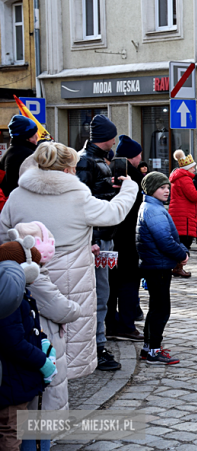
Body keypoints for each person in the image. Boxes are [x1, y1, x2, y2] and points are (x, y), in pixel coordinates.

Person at [0, 142, 136, 380]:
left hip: (29, 274)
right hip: (72, 277)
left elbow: (4, 237)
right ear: (65, 170)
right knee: (68, 340)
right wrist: (129, 188)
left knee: (33, 336)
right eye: (73, 167)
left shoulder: (17, 196)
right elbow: (113, 213)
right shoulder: (78, 197)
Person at [74, 114, 124, 371]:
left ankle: (97, 342)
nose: (115, 139)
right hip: (96, 240)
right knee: (98, 294)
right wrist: (93, 239)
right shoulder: (85, 160)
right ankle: (97, 345)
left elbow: (96, 194)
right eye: (113, 135)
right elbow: (83, 204)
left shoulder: (99, 159)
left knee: (102, 293)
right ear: (107, 137)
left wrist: (112, 187)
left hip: (105, 236)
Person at [15, 222, 80, 415]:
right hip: (45, 340)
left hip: (41, 339)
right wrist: (75, 306)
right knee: (46, 399)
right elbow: (64, 309)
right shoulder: (35, 279)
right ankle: (40, 441)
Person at [0, 248, 56, 451]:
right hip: (12, 381)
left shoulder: (20, 295)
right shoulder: (9, 299)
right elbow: (13, 342)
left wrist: (42, 341)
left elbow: (30, 329)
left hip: (16, 378)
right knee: (11, 430)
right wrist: (42, 362)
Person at [136, 172, 188, 365]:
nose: (167, 191)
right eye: (161, 188)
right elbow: (165, 240)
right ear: (151, 189)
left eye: (167, 187)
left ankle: (149, 348)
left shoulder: (152, 206)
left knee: (156, 307)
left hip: (155, 264)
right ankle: (153, 351)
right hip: (157, 265)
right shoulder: (153, 209)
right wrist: (182, 255)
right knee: (161, 309)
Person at [107, 135, 145, 342]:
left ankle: (111, 323)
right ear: (134, 156)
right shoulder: (135, 179)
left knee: (111, 284)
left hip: (109, 238)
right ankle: (127, 325)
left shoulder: (108, 173)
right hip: (129, 239)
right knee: (129, 283)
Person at [168, 149, 197, 277]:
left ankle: (176, 267)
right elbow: (193, 196)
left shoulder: (178, 177)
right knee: (184, 244)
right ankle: (178, 267)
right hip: (184, 217)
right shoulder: (185, 179)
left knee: (179, 242)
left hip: (179, 214)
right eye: (192, 168)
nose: (193, 170)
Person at [0, 115, 39, 198]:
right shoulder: (27, 155)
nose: (37, 136)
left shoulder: (9, 153)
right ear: (28, 137)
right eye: (35, 133)